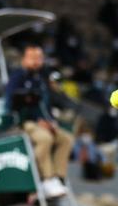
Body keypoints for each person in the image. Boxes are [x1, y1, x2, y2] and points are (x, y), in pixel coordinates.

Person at [5, 45, 74, 198]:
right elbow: (11, 104)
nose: (37, 62)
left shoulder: (41, 78)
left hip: (44, 122)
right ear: (24, 59)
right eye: (33, 58)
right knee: (45, 138)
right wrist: (37, 120)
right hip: (25, 122)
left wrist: (51, 121)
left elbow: (45, 105)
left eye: (39, 58)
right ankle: (46, 179)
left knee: (66, 139)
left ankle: (58, 177)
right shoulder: (17, 77)